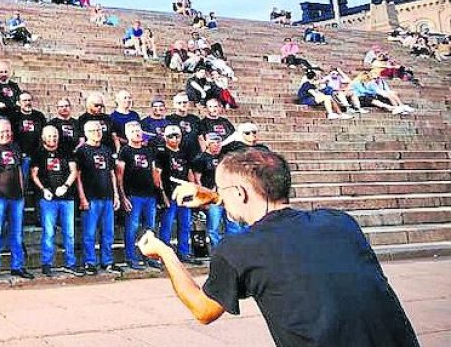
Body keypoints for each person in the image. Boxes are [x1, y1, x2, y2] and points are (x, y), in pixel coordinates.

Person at [139, 149, 419, 347]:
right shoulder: (340, 223)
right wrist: (217, 197)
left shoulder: (238, 249)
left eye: (220, 187)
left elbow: (203, 310)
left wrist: (165, 253)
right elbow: (260, 209)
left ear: (239, 193)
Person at [0, 119, 33, 281]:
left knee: (17, 234)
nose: (6, 134)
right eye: (2, 131)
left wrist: (22, 192)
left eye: (8, 131)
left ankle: (17, 266)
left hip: (16, 198)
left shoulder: (15, 146)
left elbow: (18, 170)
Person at [30, 126, 80, 276]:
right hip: (48, 199)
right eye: (49, 136)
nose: (53, 138)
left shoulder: (66, 151)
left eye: (55, 136)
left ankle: (70, 264)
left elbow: (74, 171)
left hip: (67, 198)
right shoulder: (38, 153)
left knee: (69, 233)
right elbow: (34, 175)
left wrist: (65, 186)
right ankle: (47, 264)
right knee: (49, 232)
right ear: (44, 137)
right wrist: (43, 189)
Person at [75, 119, 120, 275]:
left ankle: (107, 261)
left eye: (99, 130)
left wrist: (116, 196)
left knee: (108, 232)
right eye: (93, 130)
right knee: (89, 233)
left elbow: (112, 173)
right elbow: (78, 177)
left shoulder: (107, 150)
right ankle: (90, 262)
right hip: (91, 197)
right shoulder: (81, 151)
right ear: (86, 133)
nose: (97, 133)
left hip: (107, 196)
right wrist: (82, 198)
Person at [117, 123, 162, 270]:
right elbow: (119, 176)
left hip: (149, 195)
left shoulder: (149, 151)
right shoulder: (125, 151)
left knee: (150, 228)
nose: (137, 133)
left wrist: (159, 192)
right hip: (133, 195)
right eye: (133, 131)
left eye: (138, 131)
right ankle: (131, 257)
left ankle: (149, 257)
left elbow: (154, 173)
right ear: (127, 134)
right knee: (132, 227)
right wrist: (123, 196)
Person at [155, 125, 197, 264]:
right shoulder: (161, 153)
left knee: (185, 225)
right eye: (171, 136)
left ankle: (184, 252)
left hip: (184, 194)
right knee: (166, 225)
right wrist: (162, 194)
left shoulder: (184, 153)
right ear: (165, 138)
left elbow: (189, 172)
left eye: (177, 136)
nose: (174, 139)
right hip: (169, 192)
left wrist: (193, 189)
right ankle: (166, 254)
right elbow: (157, 175)